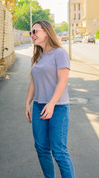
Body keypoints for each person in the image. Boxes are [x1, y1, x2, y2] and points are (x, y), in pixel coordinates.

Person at [25, 20, 75, 178]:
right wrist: (27, 103)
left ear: (46, 32)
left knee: (59, 151)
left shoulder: (60, 53)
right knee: (41, 148)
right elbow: (33, 81)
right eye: (31, 32)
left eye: (35, 31)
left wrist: (52, 104)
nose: (32, 35)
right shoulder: (38, 56)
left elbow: (62, 81)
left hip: (58, 107)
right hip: (39, 106)